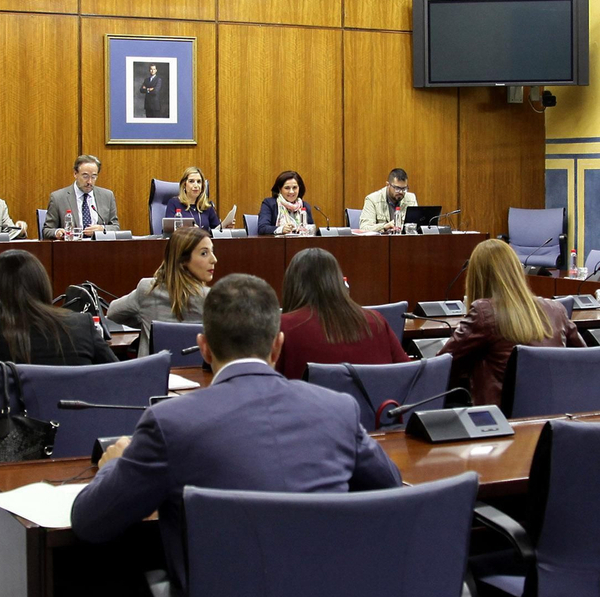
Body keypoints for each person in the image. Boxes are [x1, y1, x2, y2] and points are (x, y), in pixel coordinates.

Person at [72, 272, 402, 557]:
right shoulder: (339, 410)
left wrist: (112, 464)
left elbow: (91, 522)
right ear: (278, 345)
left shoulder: (170, 423)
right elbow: (392, 484)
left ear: (203, 348)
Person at [0, 249, 113, 411]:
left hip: (8, 438)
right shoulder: (80, 324)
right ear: (42, 284)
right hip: (78, 436)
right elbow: (119, 379)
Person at [439, 238, 583, 406]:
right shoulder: (556, 309)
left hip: (500, 423)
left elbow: (441, 368)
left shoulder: (483, 312)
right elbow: (584, 359)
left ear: (475, 277)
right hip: (553, 416)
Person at [275, 247, 408, 382]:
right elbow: (408, 375)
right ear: (338, 282)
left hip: (307, 403)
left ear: (291, 286)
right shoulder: (376, 321)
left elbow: (262, 387)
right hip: (377, 403)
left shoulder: (283, 327)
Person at [103, 227, 216, 355]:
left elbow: (112, 312)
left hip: (154, 373)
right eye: (204, 253)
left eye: (212, 251)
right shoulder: (213, 299)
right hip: (198, 374)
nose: (214, 259)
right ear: (183, 260)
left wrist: (145, 321)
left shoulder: (147, 289)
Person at [43, 154, 119, 238]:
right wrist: (58, 232)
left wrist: (103, 229)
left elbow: (115, 227)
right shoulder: (58, 198)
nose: (89, 181)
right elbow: (47, 230)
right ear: (75, 174)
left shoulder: (107, 196)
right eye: (85, 176)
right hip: (70, 248)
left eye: (93, 177)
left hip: (99, 247)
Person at [162, 165, 222, 234]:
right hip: (183, 243)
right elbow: (167, 232)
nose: (196, 185)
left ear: (202, 186)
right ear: (184, 185)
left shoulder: (207, 206)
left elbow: (217, 232)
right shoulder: (174, 203)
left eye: (199, 182)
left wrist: (226, 229)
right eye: (191, 181)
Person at [255, 169, 314, 236]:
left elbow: (311, 229)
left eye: (294, 187)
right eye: (287, 188)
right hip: (276, 244)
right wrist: (281, 229)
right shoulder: (269, 204)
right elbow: (262, 228)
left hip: (301, 243)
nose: (291, 192)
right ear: (280, 189)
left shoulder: (304, 206)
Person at [360, 167, 418, 232]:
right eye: (397, 188)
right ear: (388, 185)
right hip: (381, 241)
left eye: (404, 189)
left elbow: (416, 226)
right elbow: (364, 228)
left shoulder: (411, 198)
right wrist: (384, 227)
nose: (401, 192)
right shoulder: (372, 199)